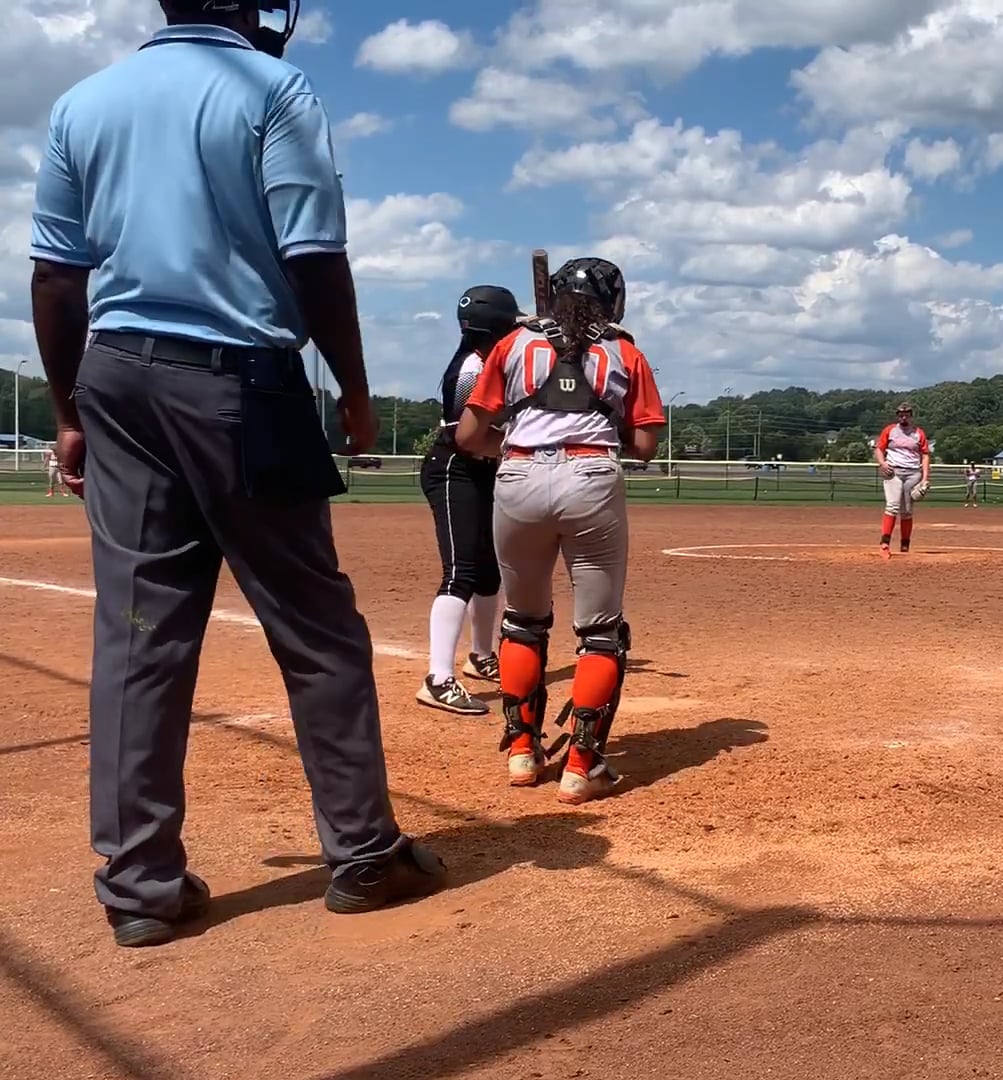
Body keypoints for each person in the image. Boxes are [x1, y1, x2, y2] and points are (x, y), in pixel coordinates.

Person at [28, 0, 444, 948]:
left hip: (116, 378)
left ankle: (140, 887)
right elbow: (314, 255)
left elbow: (57, 275)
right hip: (242, 384)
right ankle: (363, 854)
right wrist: (355, 390)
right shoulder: (274, 88)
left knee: (139, 634)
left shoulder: (83, 103)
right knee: (315, 624)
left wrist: (68, 411)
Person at [455, 256, 666, 804]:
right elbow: (645, 446)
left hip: (519, 475)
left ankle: (522, 752)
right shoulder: (624, 351)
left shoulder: (513, 344)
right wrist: (604, 417)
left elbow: (469, 436)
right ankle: (581, 767)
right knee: (600, 632)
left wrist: (515, 445)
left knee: (523, 621)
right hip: (591, 477)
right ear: (613, 301)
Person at [416, 284, 520, 715]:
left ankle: (480, 656)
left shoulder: (488, 360)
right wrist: (523, 444)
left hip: (480, 471)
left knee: (488, 571)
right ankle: (438, 679)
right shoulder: (473, 369)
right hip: (454, 470)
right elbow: (469, 437)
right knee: (460, 571)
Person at [874, 400, 931, 558]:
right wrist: (882, 463)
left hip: (913, 473)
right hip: (894, 471)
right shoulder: (890, 430)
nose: (903, 418)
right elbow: (879, 449)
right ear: (897, 416)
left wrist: (925, 478)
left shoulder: (918, 433)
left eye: (906, 415)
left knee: (906, 511)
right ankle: (885, 544)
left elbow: (925, 455)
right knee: (892, 506)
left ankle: (905, 545)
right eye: (901, 415)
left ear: (911, 416)